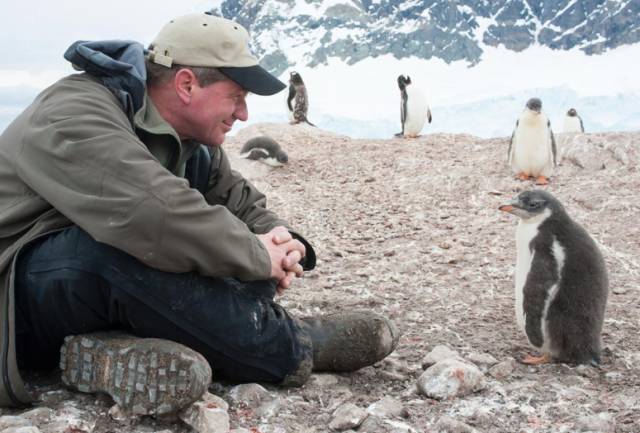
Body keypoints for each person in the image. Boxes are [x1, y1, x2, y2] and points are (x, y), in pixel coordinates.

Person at [0, 13, 399, 415]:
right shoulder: (73, 110)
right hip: (13, 299)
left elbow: (239, 202)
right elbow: (151, 211)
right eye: (237, 96)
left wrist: (280, 240)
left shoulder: (192, 143)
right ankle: (293, 344)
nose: (243, 114)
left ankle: (105, 353)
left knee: (227, 259)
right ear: (187, 84)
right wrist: (258, 255)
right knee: (119, 250)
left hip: (85, 301)